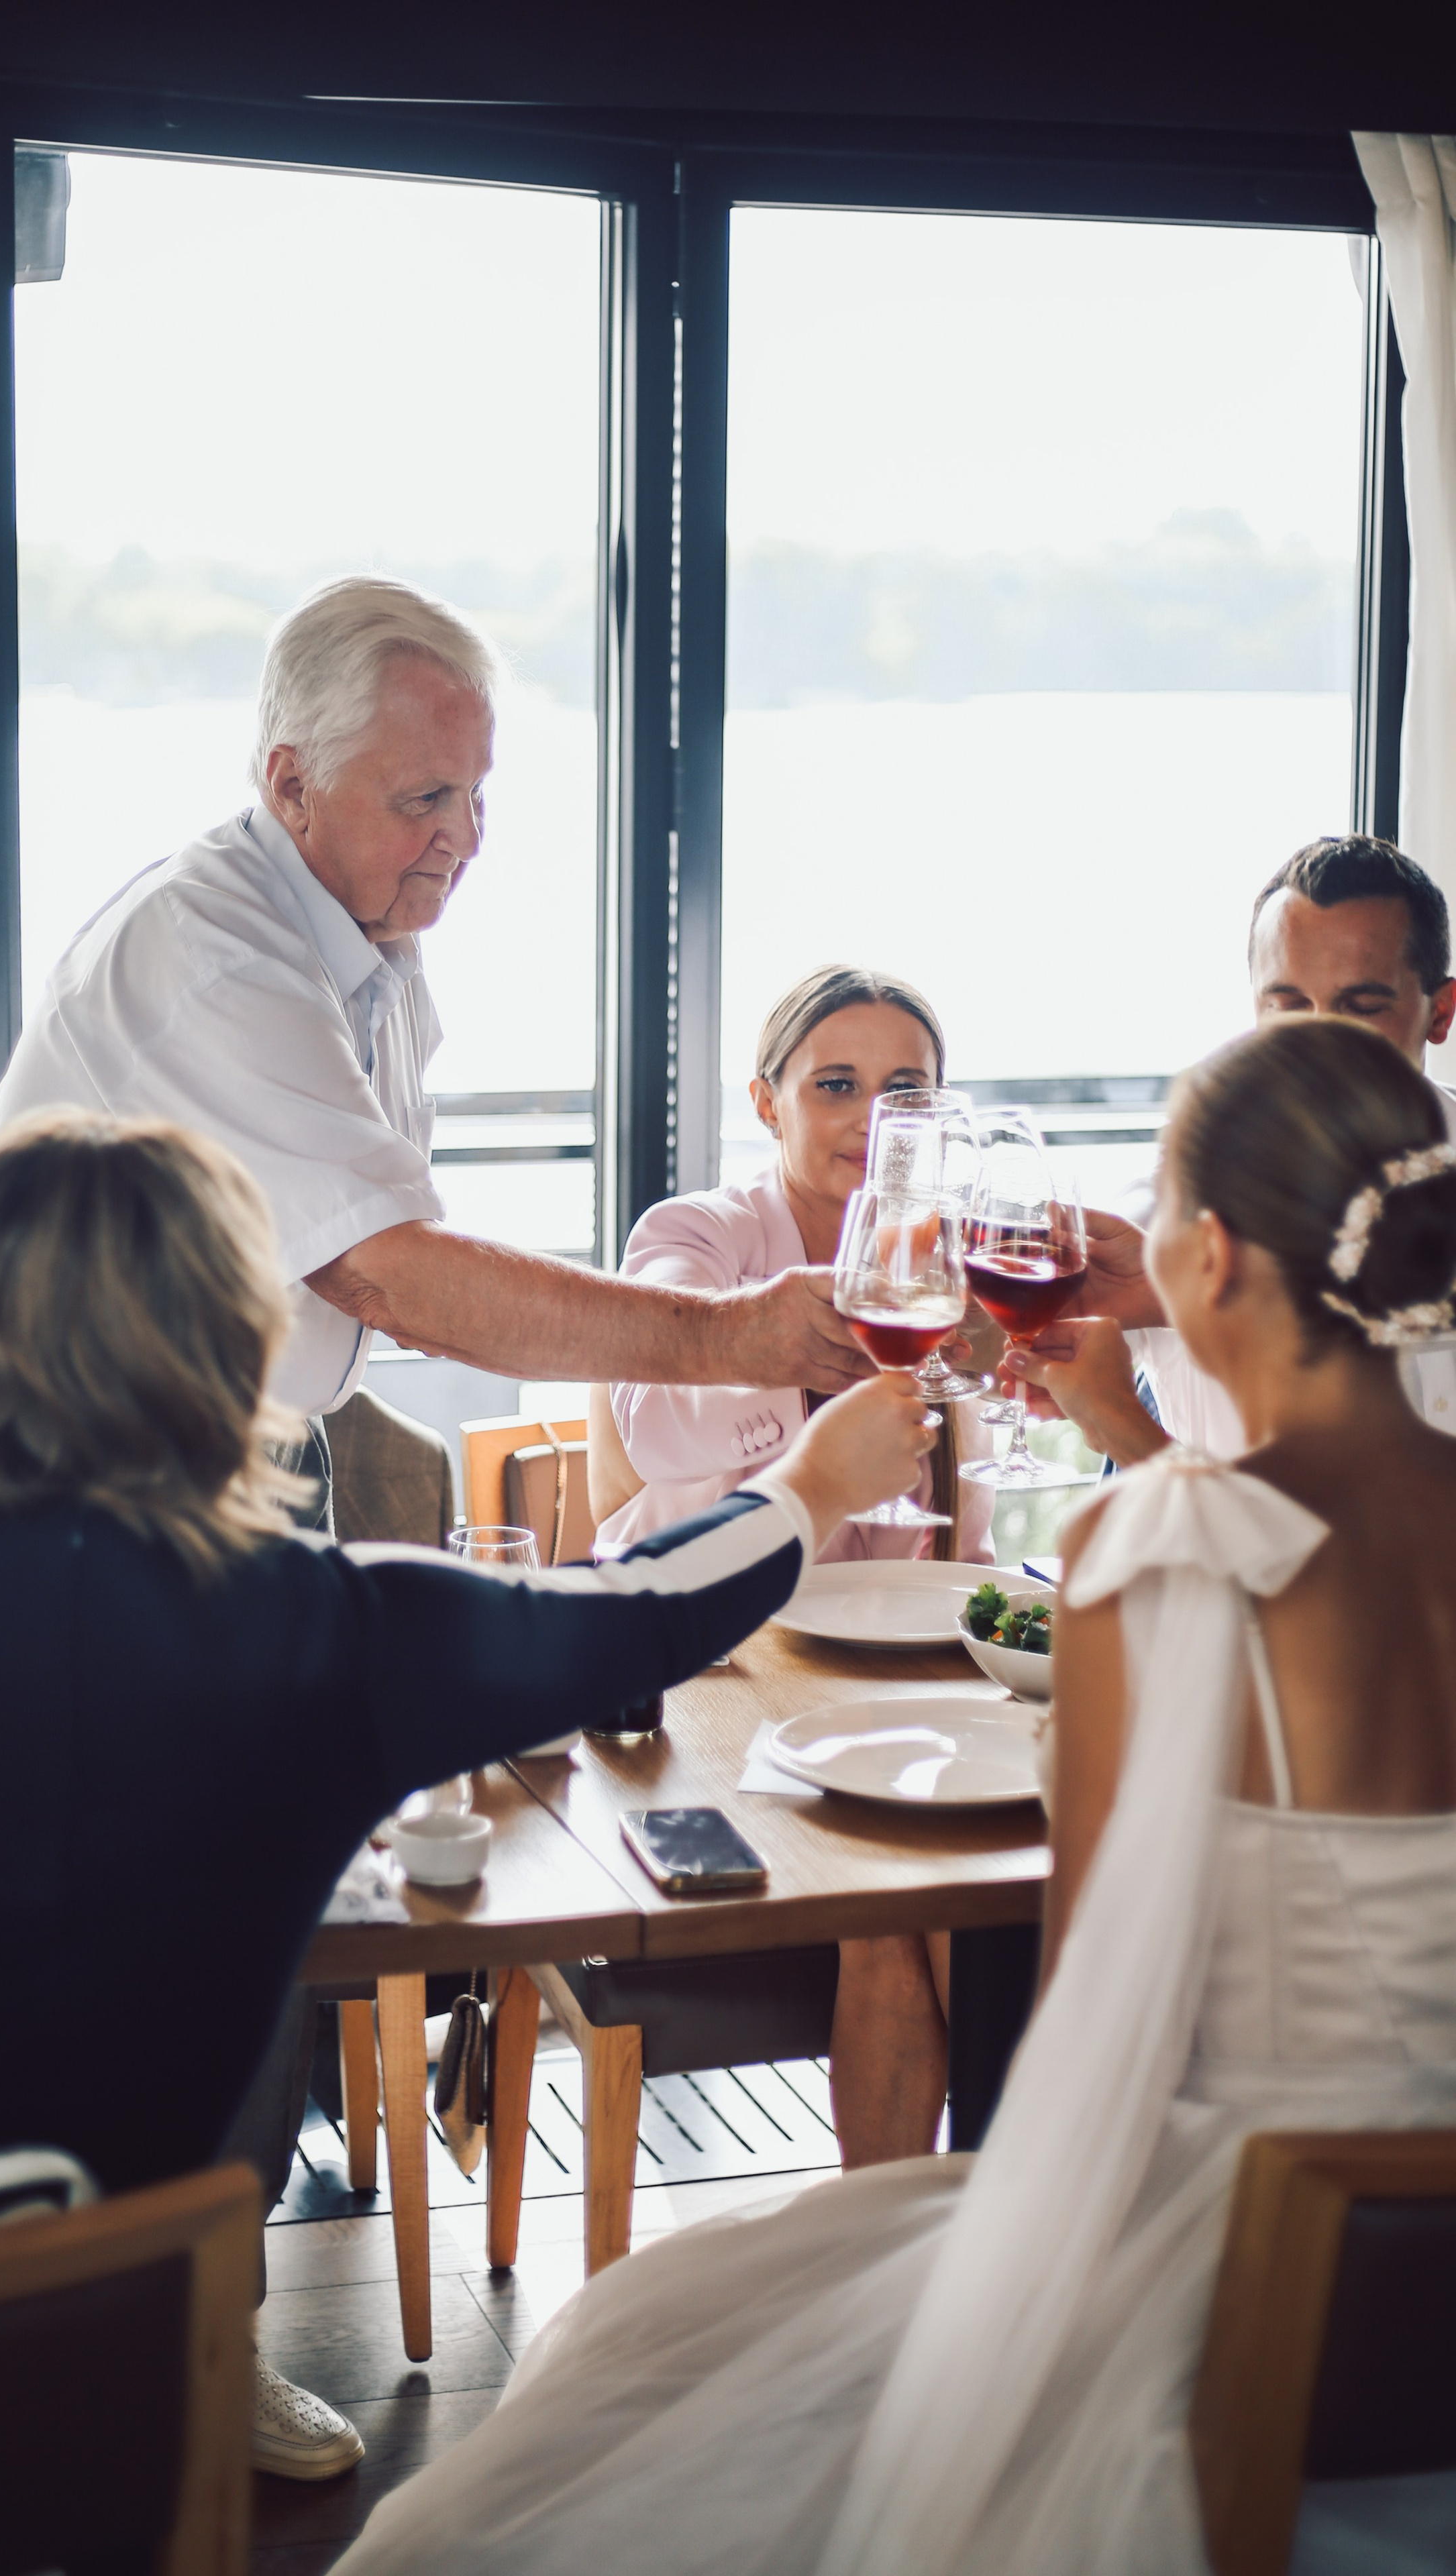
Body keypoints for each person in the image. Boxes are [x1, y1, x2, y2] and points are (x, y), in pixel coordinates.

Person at [329, 1016, 1456, 2576]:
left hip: (1256, 2262)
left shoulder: (1152, 1553)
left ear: (1203, 1258)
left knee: (643, 2343)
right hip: (1422, 2291)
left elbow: (1087, 2008)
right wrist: (1124, 1427)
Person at [0, 1110, 934, 2479]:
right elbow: (638, 1608)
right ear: (229, 1352)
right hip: (111, 2409)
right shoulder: (315, 1631)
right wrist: (808, 1483)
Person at [0, 576, 867, 1525]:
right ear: (292, 786)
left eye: (476, 791)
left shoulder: (371, 932)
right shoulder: (216, 959)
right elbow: (390, 1277)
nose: (468, 837)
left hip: (245, 1449)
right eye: (426, 798)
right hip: (85, 1483)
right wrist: (732, 1336)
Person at [592, 965, 997, 2168]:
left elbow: (965, 1534)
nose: (872, 1119)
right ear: (767, 1102)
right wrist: (809, 1383)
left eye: (903, 1090)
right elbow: (654, 1427)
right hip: (716, 1672)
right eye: (836, 1085)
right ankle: (919, 2232)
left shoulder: (956, 1263)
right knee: (904, 1899)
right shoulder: (694, 1236)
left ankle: (987, 2221)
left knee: (992, 1893)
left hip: (895, 1671)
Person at [1019, 834, 1456, 1466]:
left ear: (1440, 1013)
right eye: (1288, 1006)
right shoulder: (1174, 1196)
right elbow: (997, 1354)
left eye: (1361, 1008)